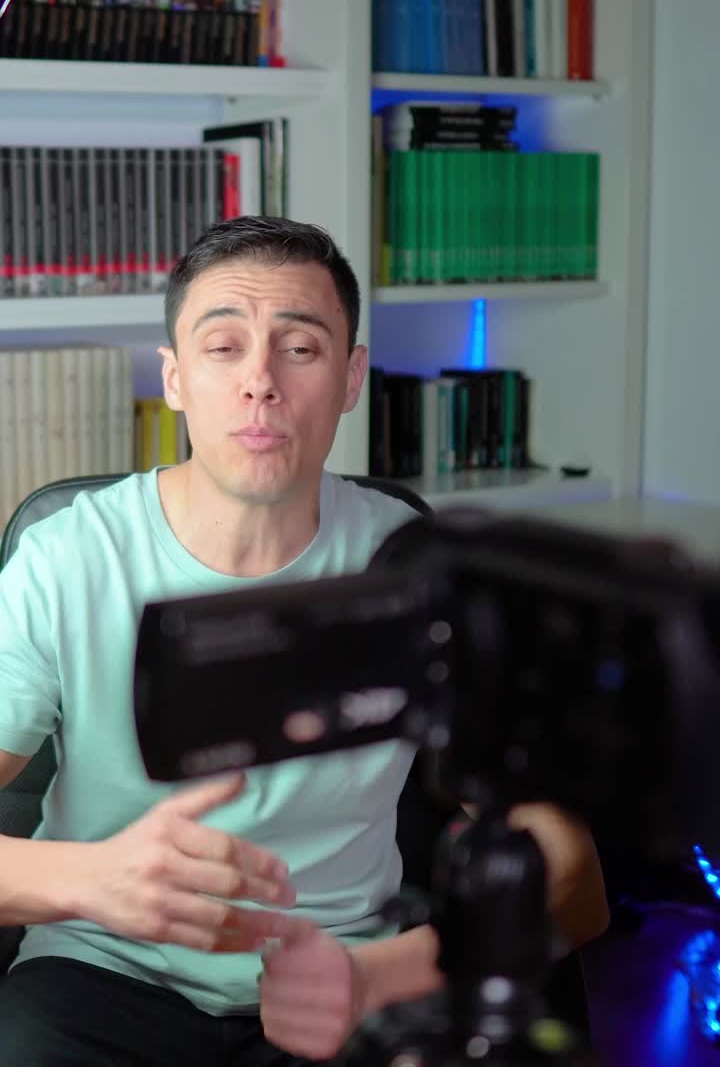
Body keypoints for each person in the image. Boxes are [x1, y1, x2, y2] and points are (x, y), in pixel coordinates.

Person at [0, 217, 609, 1065]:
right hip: (98, 971)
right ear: (174, 378)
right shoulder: (66, 557)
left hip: (344, 973)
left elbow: (577, 882)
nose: (260, 382)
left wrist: (382, 976)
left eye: (300, 348)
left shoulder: (415, 570)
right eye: (223, 348)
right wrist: (92, 879)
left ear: (352, 377)